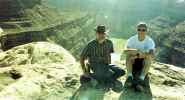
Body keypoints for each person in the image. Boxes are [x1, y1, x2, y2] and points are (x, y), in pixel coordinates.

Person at [124, 22, 155, 91]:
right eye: (139, 29)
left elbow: (152, 54)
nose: (141, 31)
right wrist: (136, 51)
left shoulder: (150, 41)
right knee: (128, 54)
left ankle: (141, 79)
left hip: (143, 63)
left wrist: (137, 56)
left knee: (149, 58)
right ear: (137, 30)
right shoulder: (132, 39)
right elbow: (125, 51)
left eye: (143, 30)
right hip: (133, 62)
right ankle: (129, 77)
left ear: (147, 31)